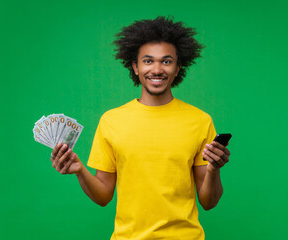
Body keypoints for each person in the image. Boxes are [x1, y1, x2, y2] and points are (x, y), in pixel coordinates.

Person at [50, 16, 231, 239]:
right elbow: (104, 195)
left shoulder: (200, 121)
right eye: (148, 61)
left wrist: (214, 170)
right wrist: (79, 171)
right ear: (135, 67)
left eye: (166, 61)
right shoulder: (111, 121)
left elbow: (209, 202)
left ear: (178, 67)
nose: (157, 69)